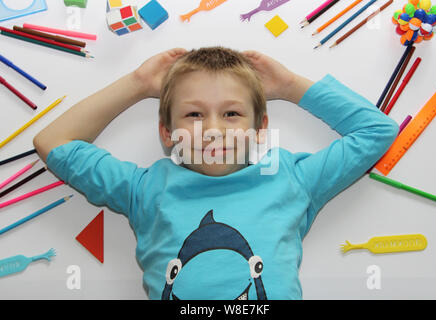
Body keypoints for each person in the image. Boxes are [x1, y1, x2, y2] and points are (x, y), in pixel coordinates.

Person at [33, 46, 399, 299]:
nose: (213, 129)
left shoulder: (290, 178)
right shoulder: (144, 189)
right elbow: (53, 141)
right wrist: (138, 84)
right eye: (194, 114)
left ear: (259, 131)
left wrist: (289, 86)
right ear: (166, 132)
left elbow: (377, 132)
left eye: (231, 114)